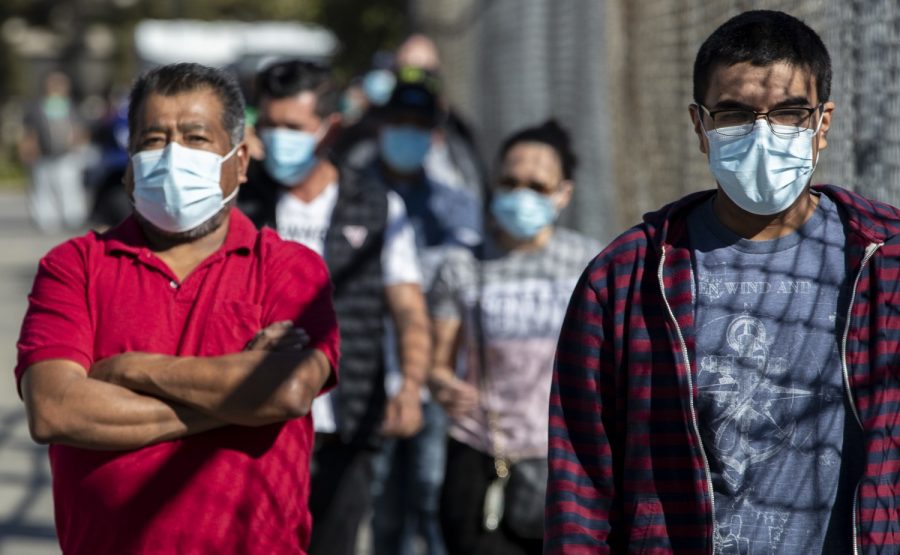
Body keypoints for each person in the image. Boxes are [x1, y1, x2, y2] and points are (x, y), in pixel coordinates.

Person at [547, 10, 900, 554]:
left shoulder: (886, 264)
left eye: (788, 113)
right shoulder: (628, 279)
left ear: (822, 124)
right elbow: (582, 483)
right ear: (700, 125)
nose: (763, 134)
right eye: (734, 114)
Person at [14, 63, 340, 554]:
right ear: (128, 164)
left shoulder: (289, 268)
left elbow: (288, 390)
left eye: (195, 137)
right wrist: (238, 403)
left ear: (240, 161)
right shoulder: (74, 266)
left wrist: (131, 369)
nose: (172, 156)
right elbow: (54, 408)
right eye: (152, 140)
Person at [237, 59, 431, 555]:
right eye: (271, 125)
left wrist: (410, 385)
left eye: (294, 127)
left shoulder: (376, 205)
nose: (280, 139)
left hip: (349, 419)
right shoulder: (241, 205)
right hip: (258, 416)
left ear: (330, 127)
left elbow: (407, 305)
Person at [430, 120, 600, 555]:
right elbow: (437, 364)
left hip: (567, 458)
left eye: (537, 186)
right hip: (482, 454)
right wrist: (443, 386)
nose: (521, 195)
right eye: (510, 182)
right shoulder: (462, 266)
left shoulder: (591, 263)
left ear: (563, 194)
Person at [368, 68, 481, 555]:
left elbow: (461, 291)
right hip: (371, 369)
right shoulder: (356, 195)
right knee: (381, 504)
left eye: (420, 124)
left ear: (435, 134)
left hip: (436, 374)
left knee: (432, 498)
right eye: (400, 121)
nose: (407, 133)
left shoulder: (454, 204)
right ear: (382, 125)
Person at [18, 71, 89, 233]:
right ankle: (46, 220)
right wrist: (28, 149)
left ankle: (73, 217)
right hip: (43, 156)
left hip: (67, 155)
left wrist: (79, 145)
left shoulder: (71, 106)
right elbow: (29, 132)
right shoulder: (37, 108)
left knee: (70, 187)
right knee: (43, 190)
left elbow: (80, 129)